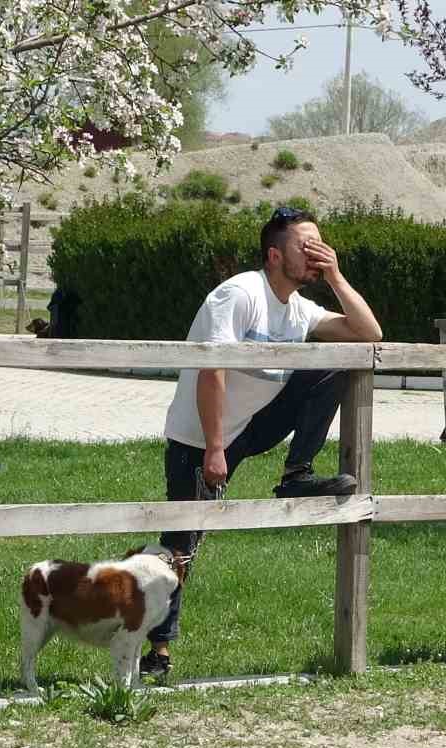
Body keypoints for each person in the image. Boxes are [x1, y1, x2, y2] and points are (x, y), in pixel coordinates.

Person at [146, 205, 384, 679]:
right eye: (306, 245)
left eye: (322, 244)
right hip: (202, 435)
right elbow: (211, 370)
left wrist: (335, 275)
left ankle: (296, 475)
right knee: (184, 544)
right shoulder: (238, 295)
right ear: (275, 255)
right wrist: (215, 449)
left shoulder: (300, 307)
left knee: (337, 360)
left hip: (252, 425)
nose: (317, 253)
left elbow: (369, 333)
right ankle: (156, 646)